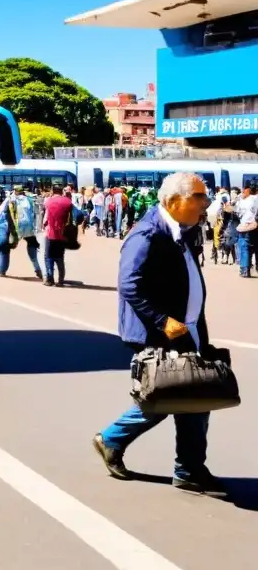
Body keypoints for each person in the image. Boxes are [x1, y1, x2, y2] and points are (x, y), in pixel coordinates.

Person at [92, 172, 226, 496]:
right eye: (197, 197)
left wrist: (199, 334)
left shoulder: (183, 229)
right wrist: (162, 321)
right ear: (172, 200)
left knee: (192, 396)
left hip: (186, 328)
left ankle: (189, 469)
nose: (204, 203)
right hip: (160, 331)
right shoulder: (148, 233)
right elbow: (129, 284)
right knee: (173, 395)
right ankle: (113, 439)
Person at [41, 183, 72, 286]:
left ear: (53, 191)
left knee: (48, 256)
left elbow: (45, 216)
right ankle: (61, 280)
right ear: (61, 191)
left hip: (50, 233)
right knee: (60, 257)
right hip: (62, 233)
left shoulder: (48, 201)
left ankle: (50, 279)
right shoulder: (67, 202)